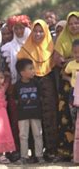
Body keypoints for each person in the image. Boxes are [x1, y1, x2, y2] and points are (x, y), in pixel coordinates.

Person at [16, 19, 58, 160]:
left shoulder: (52, 49)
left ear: (46, 32)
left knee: (49, 117)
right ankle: (34, 153)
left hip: (48, 87)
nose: (38, 34)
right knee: (32, 119)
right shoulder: (25, 50)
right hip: (30, 87)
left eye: (41, 31)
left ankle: (50, 151)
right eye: (35, 31)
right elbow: (20, 70)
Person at [54, 11, 79, 160]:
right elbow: (59, 61)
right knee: (67, 117)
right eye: (70, 23)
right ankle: (67, 152)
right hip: (68, 85)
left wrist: (69, 59)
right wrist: (71, 61)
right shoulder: (62, 39)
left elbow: (66, 59)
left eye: (76, 22)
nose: (73, 26)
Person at [14, 58, 45, 164]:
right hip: (22, 115)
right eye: (30, 69)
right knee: (23, 135)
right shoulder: (17, 85)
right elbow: (16, 100)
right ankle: (24, 157)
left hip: (36, 114)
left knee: (38, 135)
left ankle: (39, 155)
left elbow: (40, 97)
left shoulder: (36, 83)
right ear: (22, 73)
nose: (33, 71)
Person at [0, 15, 32, 85]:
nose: (18, 31)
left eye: (21, 28)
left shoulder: (34, 44)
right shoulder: (8, 47)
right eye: (16, 29)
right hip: (16, 83)